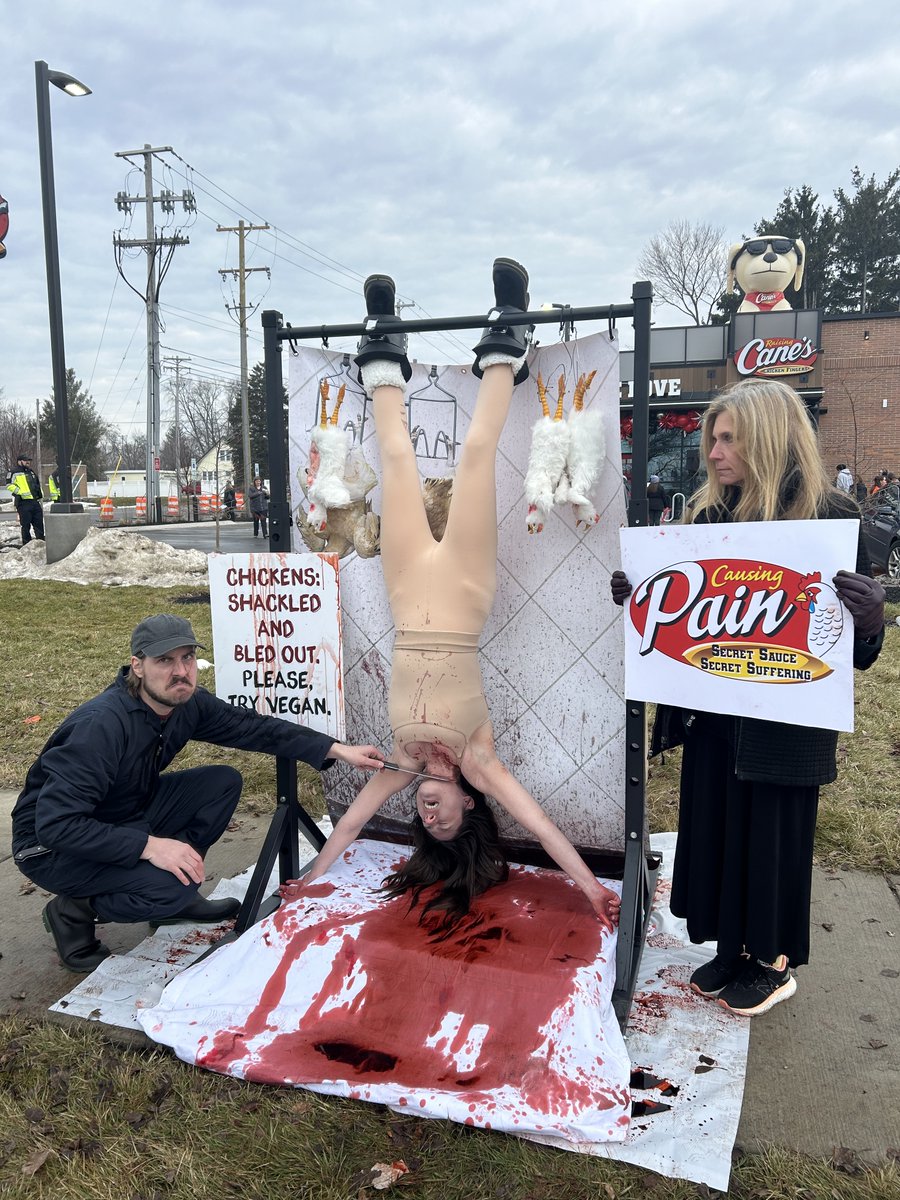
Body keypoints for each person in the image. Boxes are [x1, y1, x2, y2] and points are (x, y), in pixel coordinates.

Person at [305, 261, 620, 933]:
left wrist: (311, 879)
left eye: (427, 823)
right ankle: (507, 328)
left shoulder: (402, 762)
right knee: (478, 456)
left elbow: (356, 818)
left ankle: (382, 336)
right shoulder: (479, 760)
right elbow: (539, 822)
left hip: (406, 588)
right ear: (470, 807)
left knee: (396, 461)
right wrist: (592, 888)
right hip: (467, 595)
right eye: (444, 818)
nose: (430, 815)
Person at [611, 379, 885, 1016]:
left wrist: (870, 621)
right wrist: (642, 596)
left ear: (769, 439)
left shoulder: (834, 518)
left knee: (771, 836)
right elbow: (681, 616)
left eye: (729, 437)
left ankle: (773, 960)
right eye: (713, 437)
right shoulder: (708, 519)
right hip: (714, 716)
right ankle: (732, 945)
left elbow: (857, 654)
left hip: (786, 725)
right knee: (718, 827)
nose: (714, 451)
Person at [11, 613, 385, 972]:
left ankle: (173, 894)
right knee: (167, 886)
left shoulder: (186, 702)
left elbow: (254, 728)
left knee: (220, 784)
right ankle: (73, 910)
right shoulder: (101, 727)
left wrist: (336, 749)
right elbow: (56, 825)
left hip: (121, 809)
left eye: (187, 658)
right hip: (50, 847)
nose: (180, 671)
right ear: (137, 666)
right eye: (165, 660)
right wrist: (151, 847)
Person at [8, 453, 45, 544]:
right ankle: (26, 544)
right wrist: (20, 492)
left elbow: (36, 484)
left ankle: (41, 543)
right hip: (23, 502)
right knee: (25, 525)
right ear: (20, 461)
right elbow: (9, 485)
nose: (28, 462)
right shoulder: (13, 472)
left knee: (39, 523)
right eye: (25, 460)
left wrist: (40, 495)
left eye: (28, 460)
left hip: (34, 502)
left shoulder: (31, 472)